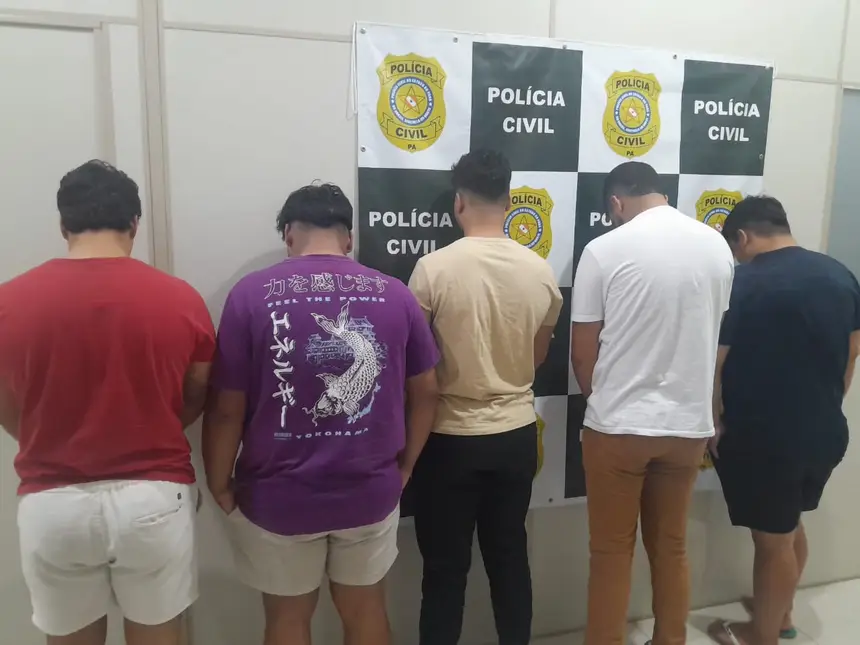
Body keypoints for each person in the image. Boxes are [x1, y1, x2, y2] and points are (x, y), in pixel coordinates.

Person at [202, 182, 439, 645]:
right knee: (366, 610)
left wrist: (219, 483)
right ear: (348, 238)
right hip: (370, 492)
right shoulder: (396, 295)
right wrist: (406, 466)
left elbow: (227, 408)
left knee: (287, 620)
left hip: (277, 497)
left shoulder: (250, 295)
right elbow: (428, 391)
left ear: (288, 234)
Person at [0, 160, 215, 645]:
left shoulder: (8, 303)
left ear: (63, 224)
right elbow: (198, 391)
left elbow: (5, 404)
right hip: (154, 497)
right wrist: (154, 423)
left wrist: (39, 432)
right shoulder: (181, 300)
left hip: (52, 500)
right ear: (134, 223)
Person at [571, 161, 734, 645]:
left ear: (616, 203)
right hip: (687, 427)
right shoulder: (717, 247)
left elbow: (582, 352)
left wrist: (604, 402)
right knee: (672, 548)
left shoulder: (604, 249)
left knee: (611, 553)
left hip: (618, 427)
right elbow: (712, 334)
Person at [408, 149, 563, 645]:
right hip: (515, 434)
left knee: (444, 571)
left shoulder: (432, 270)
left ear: (459, 202)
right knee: (510, 559)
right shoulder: (540, 270)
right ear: (509, 199)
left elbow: (417, 367)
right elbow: (537, 356)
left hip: (449, 438)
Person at [708, 196, 860, 645]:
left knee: (772, 542)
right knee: (789, 526)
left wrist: (713, 421)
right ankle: (784, 614)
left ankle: (763, 636)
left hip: (764, 437)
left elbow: (715, 363)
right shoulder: (840, 274)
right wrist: (827, 405)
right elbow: (852, 351)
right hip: (825, 431)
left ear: (741, 237)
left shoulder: (744, 282)